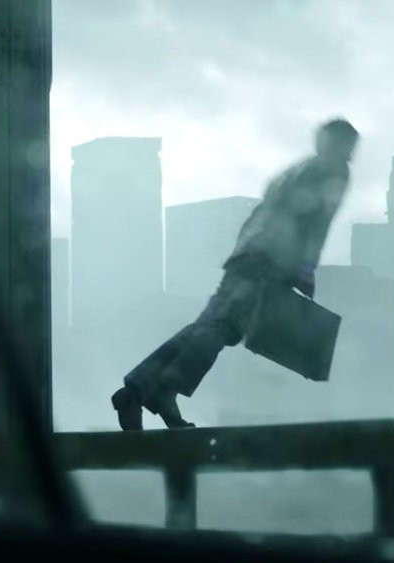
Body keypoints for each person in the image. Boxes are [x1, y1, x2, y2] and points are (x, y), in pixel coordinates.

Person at [111, 118, 360, 431]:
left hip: (247, 255)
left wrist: (246, 252)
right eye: (349, 144)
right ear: (340, 143)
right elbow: (317, 225)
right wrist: (306, 270)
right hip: (270, 262)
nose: (352, 152)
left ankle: (142, 390)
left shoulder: (297, 170)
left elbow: (262, 211)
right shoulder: (334, 171)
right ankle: (159, 390)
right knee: (220, 329)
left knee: (209, 325)